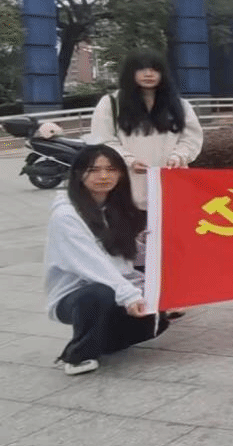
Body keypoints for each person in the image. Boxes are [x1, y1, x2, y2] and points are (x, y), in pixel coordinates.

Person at [44, 145, 170, 376]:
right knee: (99, 294)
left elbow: (128, 256)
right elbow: (91, 264)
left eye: (111, 169)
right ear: (78, 174)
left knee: (156, 322)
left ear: (121, 174)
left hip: (118, 287)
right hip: (77, 295)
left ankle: (101, 339)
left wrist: (153, 252)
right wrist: (130, 295)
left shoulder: (118, 209)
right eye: (94, 170)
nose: (103, 176)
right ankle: (77, 356)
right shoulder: (66, 216)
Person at [89, 49, 204, 210]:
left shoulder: (179, 105)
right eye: (141, 69)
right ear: (131, 72)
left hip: (172, 187)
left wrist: (178, 157)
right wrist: (129, 160)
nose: (148, 74)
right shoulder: (111, 104)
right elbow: (103, 140)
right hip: (127, 189)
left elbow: (191, 138)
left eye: (154, 69)